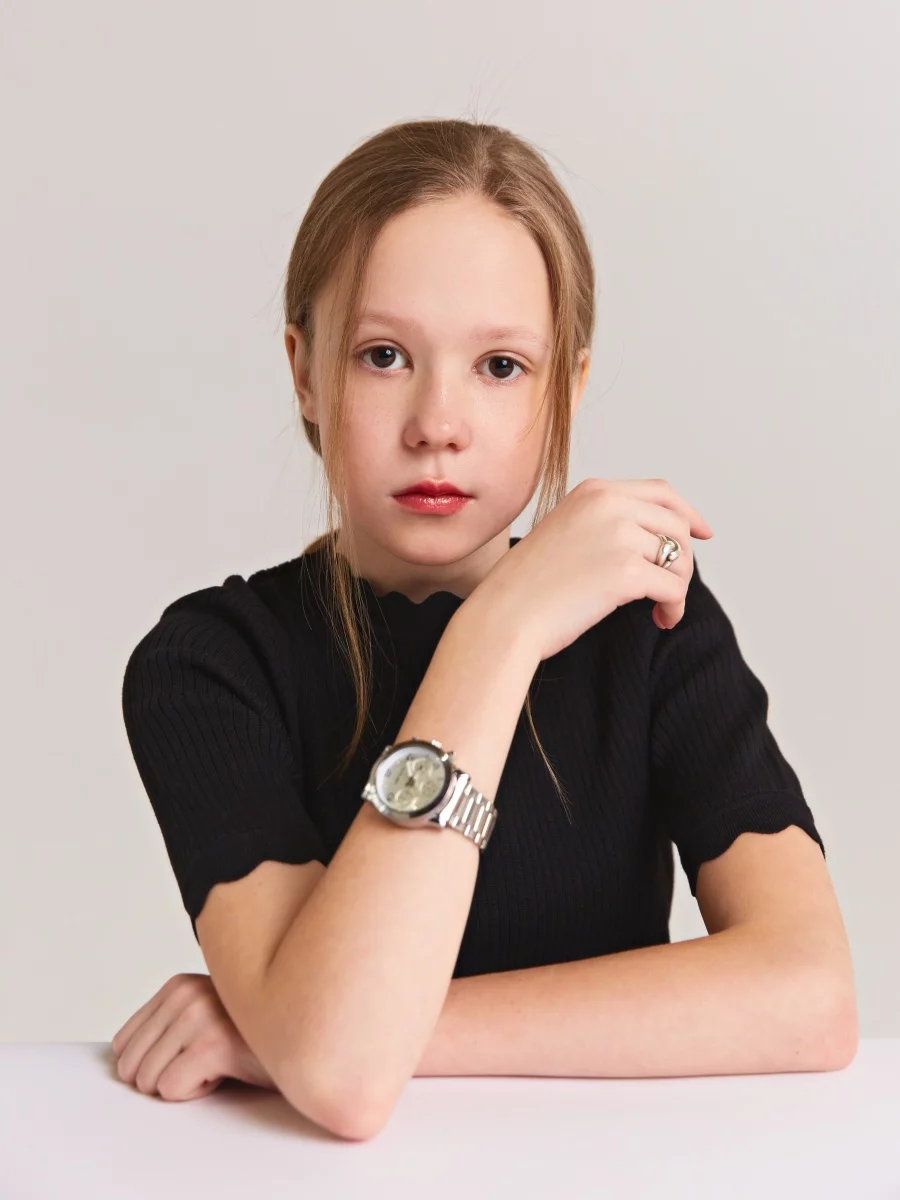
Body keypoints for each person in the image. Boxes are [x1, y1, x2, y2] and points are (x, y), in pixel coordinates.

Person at [111, 118, 846, 1139]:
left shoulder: (648, 621)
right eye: (382, 356)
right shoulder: (213, 665)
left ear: (566, 391)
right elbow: (344, 1081)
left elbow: (810, 995)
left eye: (500, 366)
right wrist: (501, 630)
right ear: (304, 373)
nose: (437, 425)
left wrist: (293, 1029)